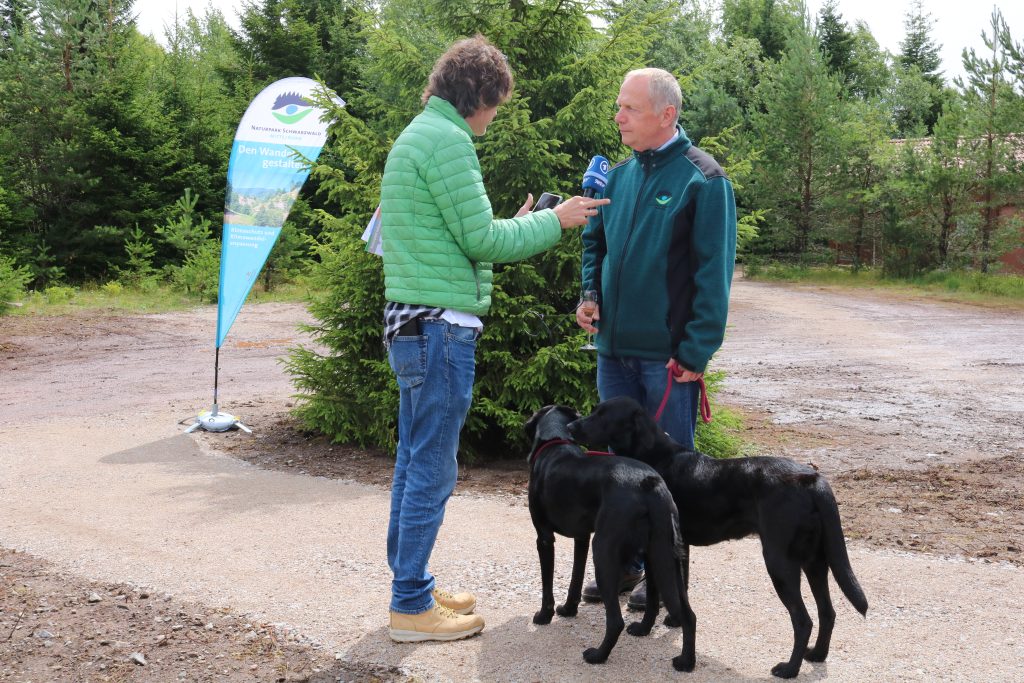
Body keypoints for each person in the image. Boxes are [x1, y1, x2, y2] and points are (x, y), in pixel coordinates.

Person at [380, 35, 609, 643]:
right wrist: (552, 222)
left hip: (410, 325)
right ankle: (409, 607)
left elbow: (453, 236)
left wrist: (515, 219)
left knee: (412, 460)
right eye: (495, 105)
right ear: (477, 95)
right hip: (441, 330)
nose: (492, 118)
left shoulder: (416, 136)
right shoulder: (450, 141)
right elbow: (483, 244)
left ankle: (414, 587)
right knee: (431, 467)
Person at [576, 67, 737, 609]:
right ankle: (623, 567)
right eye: (618, 106)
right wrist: (588, 295)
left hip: (667, 361)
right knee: (616, 471)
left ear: (666, 114)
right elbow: (593, 243)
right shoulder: (617, 178)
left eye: (630, 108)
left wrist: (696, 350)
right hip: (613, 355)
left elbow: (713, 273)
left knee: (669, 478)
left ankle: (667, 581)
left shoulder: (704, 180)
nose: (618, 116)